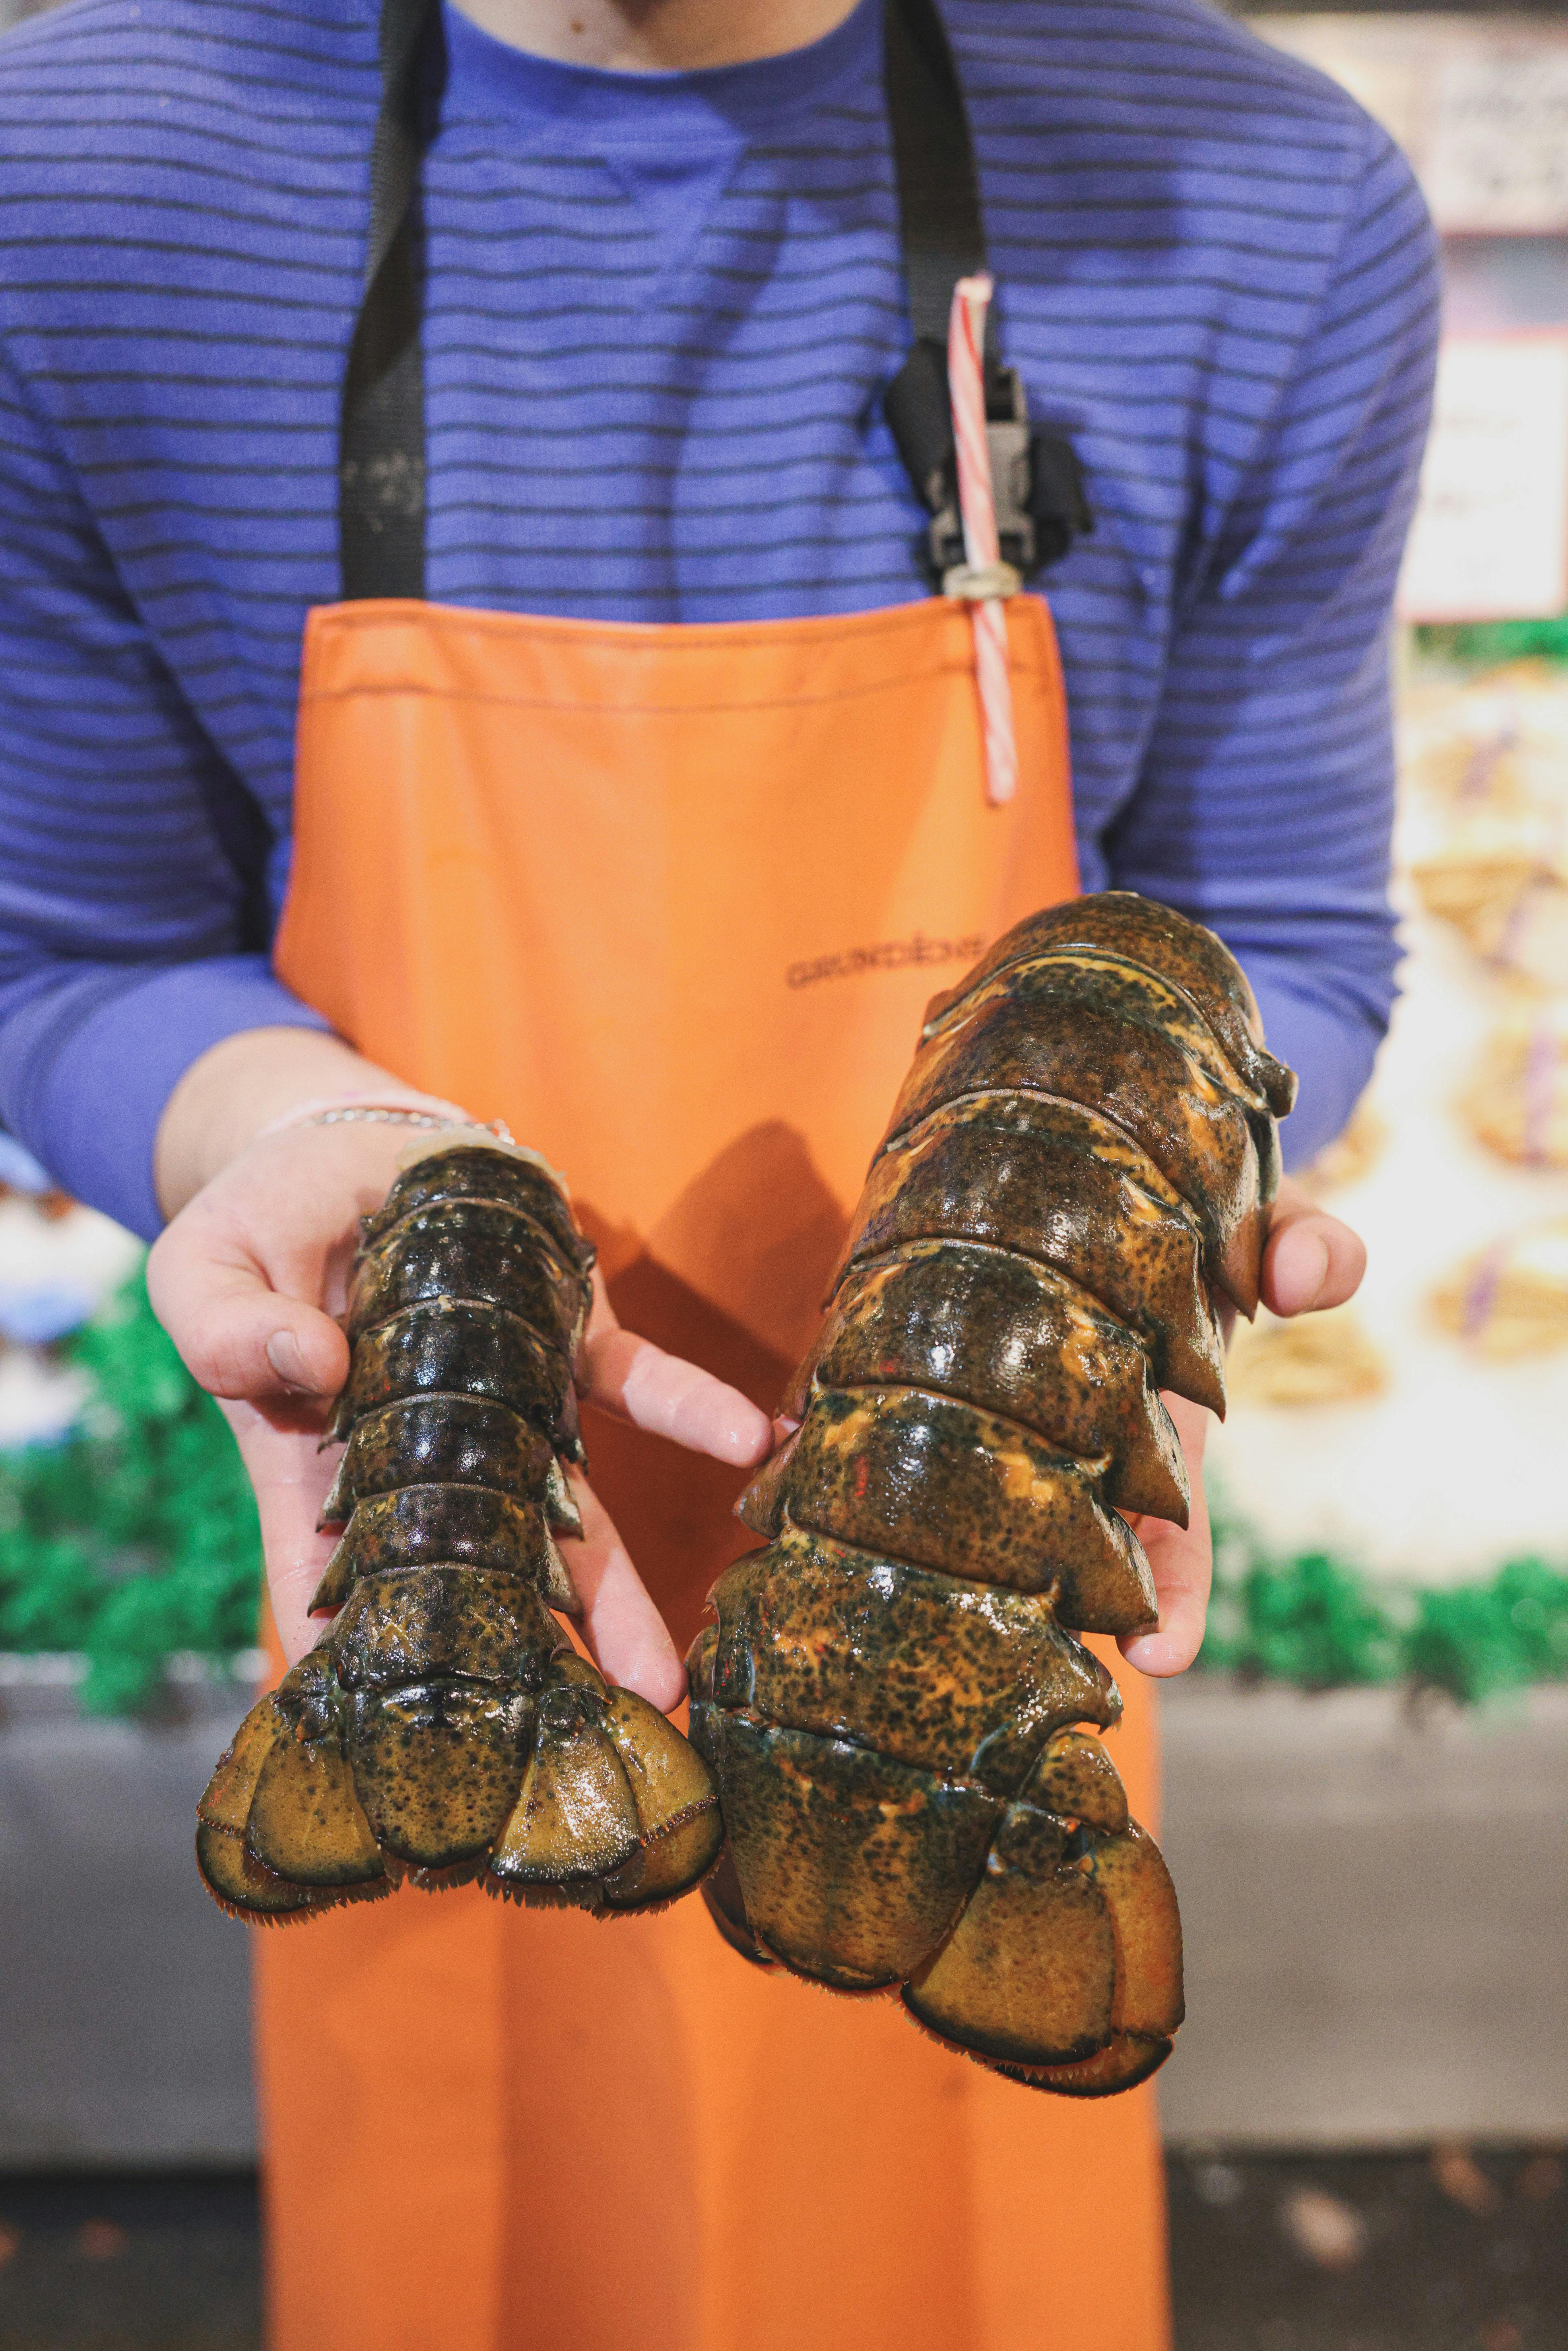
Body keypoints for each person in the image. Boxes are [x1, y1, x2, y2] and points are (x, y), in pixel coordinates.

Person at [0, 0, 1435, 2341]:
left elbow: (1279, 918)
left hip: (986, 1554)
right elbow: (66, 949)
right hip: (452, 1581)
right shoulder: (70, 177)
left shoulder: (1270, 195)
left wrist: (1143, 1199)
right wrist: (287, 1129)